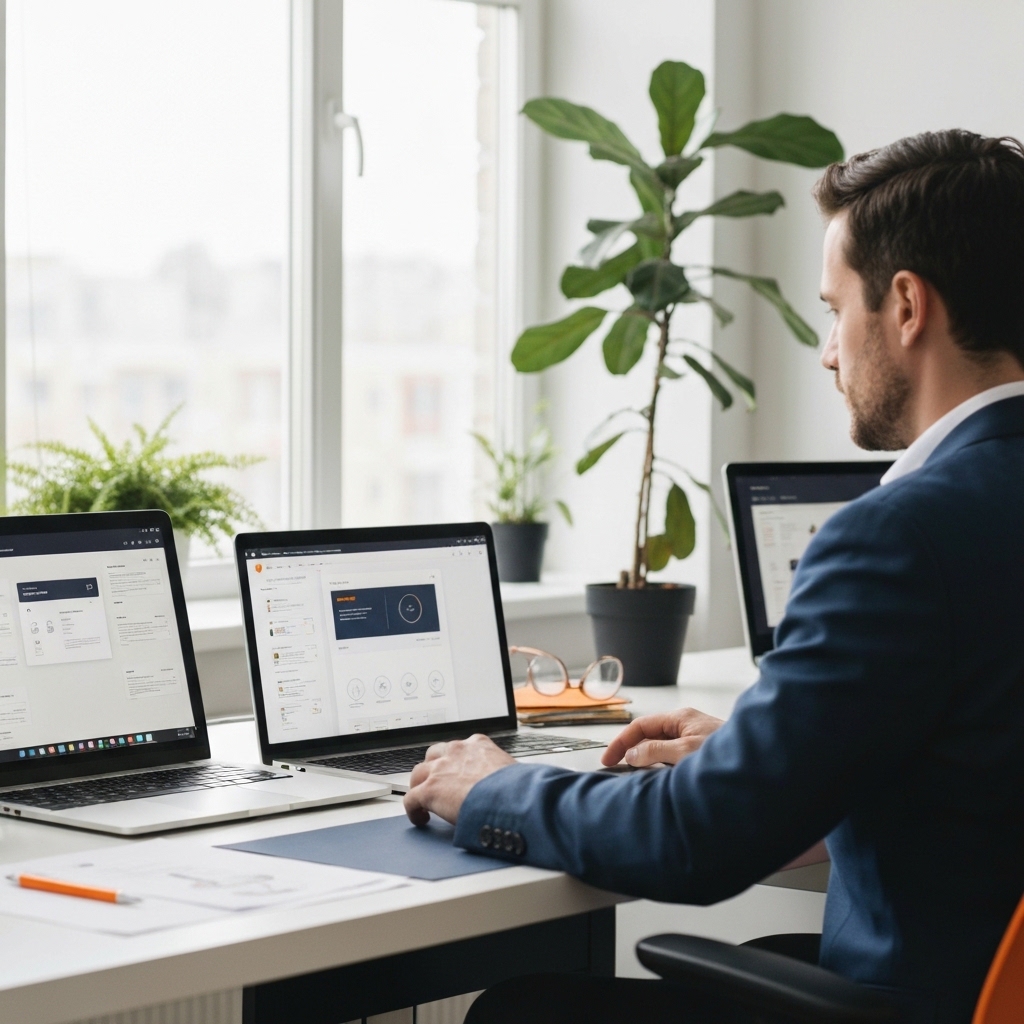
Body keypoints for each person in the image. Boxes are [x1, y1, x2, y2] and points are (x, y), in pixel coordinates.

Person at [404, 130, 1024, 1024]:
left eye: (832, 310)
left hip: (930, 1000)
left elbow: (694, 843)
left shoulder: (897, 537)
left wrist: (492, 788)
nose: (827, 352)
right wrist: (772, 757)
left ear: (905, 305)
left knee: (524, 1012)